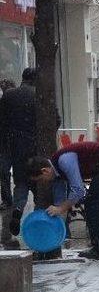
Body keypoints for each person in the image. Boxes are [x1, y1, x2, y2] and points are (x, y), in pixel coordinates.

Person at [0, 68, 38, 235]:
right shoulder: (39, 95)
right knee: (39, 183)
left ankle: (17, 208)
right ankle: (39, 219)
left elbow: (1, 121)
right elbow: (54, 119)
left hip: (15, 147)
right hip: (35, 147)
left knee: (21, 181)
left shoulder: (8, 95)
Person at [0, 78, 16, 209]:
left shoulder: (17, 105)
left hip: (12, 144)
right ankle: (8, 200)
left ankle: (10, 200)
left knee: (5, 172)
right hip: (7, 144)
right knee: (4, 172)